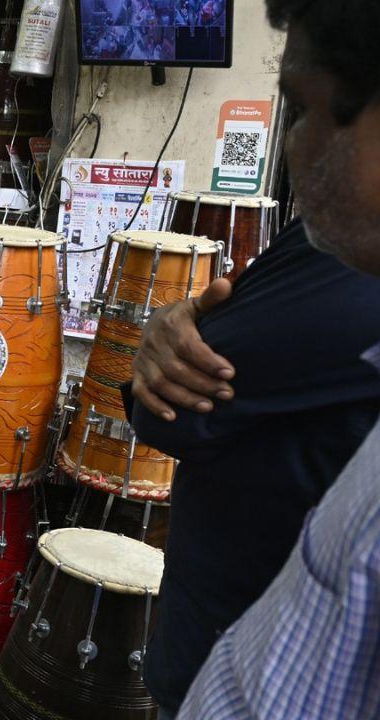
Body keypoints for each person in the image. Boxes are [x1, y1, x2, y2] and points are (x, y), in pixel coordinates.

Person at [129, 1, 380, 716]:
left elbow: (168, 414)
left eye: (299, 107)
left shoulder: (345, 277)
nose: (293, 145)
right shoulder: (334, 253)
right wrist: (166, 327)